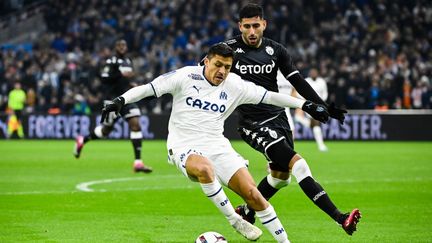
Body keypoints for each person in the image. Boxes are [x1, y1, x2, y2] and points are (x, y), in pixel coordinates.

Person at [101, 43, 331, 242]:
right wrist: (121, 100)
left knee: (253, 195)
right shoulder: (185, 76)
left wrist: (304, 105)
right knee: (204, 169)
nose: (222, 71)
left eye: (227, 67)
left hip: (216, 144)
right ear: (206, 61)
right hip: (183, 144)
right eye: (218, 65)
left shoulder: (235, 85)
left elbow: (270, 96)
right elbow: (149, 89)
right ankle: (235, 220)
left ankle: (285, 241)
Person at [224, 3, 361, 236]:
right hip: (252, 123)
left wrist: (323, 106)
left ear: (264, 24)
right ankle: (340, 218)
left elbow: (298, 82)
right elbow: (204, 76)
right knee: (299, 165)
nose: (252, 31)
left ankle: (247, 211)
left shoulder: (276, 50)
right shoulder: (227, 50)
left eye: (256, 25)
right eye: (247, 26)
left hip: (279, 118)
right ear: (240, 26)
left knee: (280, 177)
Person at [73, 39, 152, 173]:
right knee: (106, 131)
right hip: (112, 100)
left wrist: (131, 84)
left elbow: (127, 79)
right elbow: (104, 78)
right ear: (115, 48)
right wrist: (119, 74)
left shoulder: (128, 61)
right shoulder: (111, 62)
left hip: (127, 98)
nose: (122, 47)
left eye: (124, 45)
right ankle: (83, 139)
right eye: (119, 45)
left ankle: (138, 162)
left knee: (136, 124)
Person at [294, 68, 329, 151]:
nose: (313, 74)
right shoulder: (306, 80)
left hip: (319, 105)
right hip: (309, 105)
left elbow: (325, 93)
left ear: (317, 73)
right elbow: (300, 92)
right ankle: (321, 145)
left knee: (314, 125)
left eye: (315, 72)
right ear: (310, 73)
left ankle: (301, 120)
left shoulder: (322, 81)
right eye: (312, 72)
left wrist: (321, 101)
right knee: (316, 124)